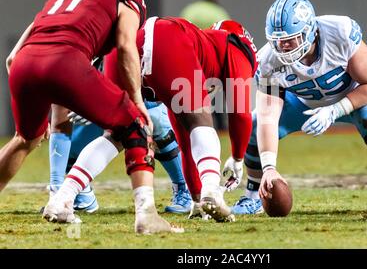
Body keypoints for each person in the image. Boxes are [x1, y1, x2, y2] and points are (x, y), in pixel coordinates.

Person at [1, 0, 180, 234]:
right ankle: (147, 216)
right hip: (66, 60)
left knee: (24, 139)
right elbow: (125, 47)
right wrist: (136, 101)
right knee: (134, 123)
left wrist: (37, 101)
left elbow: (12, 58)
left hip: (25, 66)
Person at [49, 17, 258, 223]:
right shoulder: (235, 45)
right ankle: (212, 188)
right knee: (201, 120)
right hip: (165, 37)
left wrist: (196, 199)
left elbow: (185, 144)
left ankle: (63, 197)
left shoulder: (199, 50)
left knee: (117, 135)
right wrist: (238, 158)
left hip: (128, 43)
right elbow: (240, 112)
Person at [230, 0, 367, 215]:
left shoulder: (339, 32)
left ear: (310, 31)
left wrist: (334, 111)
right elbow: (268, 117)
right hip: (304, 103)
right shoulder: (268, 60)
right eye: (277, 41)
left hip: (356, 95)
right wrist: (270, 167)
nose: (283, 47)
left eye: (290, 39)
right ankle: (253, 195)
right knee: (255, 123)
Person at [180, 0, 232, 131]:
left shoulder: (190, 10)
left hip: (192, 59)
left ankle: (193, 126)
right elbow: (227, 37)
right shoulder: (219, 12)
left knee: (193, 95)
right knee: (215, 96)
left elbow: (181, 34)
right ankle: (220, 128)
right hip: (213, 60)